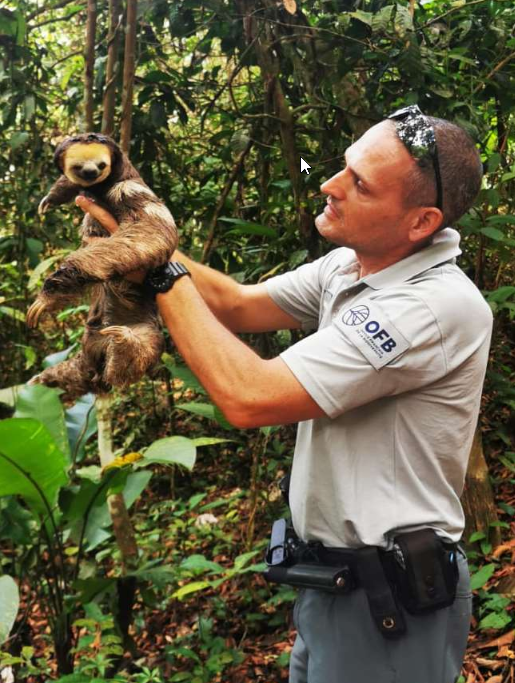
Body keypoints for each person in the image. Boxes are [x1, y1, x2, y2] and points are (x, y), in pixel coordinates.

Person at [77, 105, 493, 683]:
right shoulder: (353, 266)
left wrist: (153, 270)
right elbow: (238, 304)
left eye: (360, 184)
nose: (331, 185)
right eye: (344, 167)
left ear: (420, 223)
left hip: (388, 604)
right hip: (331, 587)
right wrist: (142, 230)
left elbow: (250, 396)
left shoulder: (429, 305)